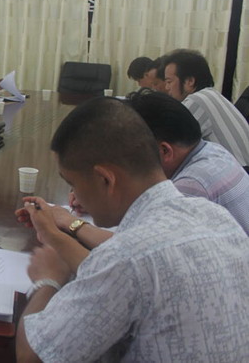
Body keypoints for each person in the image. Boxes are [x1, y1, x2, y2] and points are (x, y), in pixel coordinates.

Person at [13, 97, 249, 362]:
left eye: (73, 184)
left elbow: (33, 356)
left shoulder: (126, 257)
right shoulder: (218, 217)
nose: (75, 196)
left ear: (106, 179)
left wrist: (47, 280)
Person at [47, 91, 249, 260]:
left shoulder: (192, 186)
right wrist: (96, 195)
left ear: (164, 151)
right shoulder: (212, 151)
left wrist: (71, 223)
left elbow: (131, 249)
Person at [164, 49, 249, 166]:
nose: (166, 87)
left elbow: (167, 141)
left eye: (169, 82)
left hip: (238, 172)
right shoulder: (213, 95)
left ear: (190, 81)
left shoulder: (196, 101)